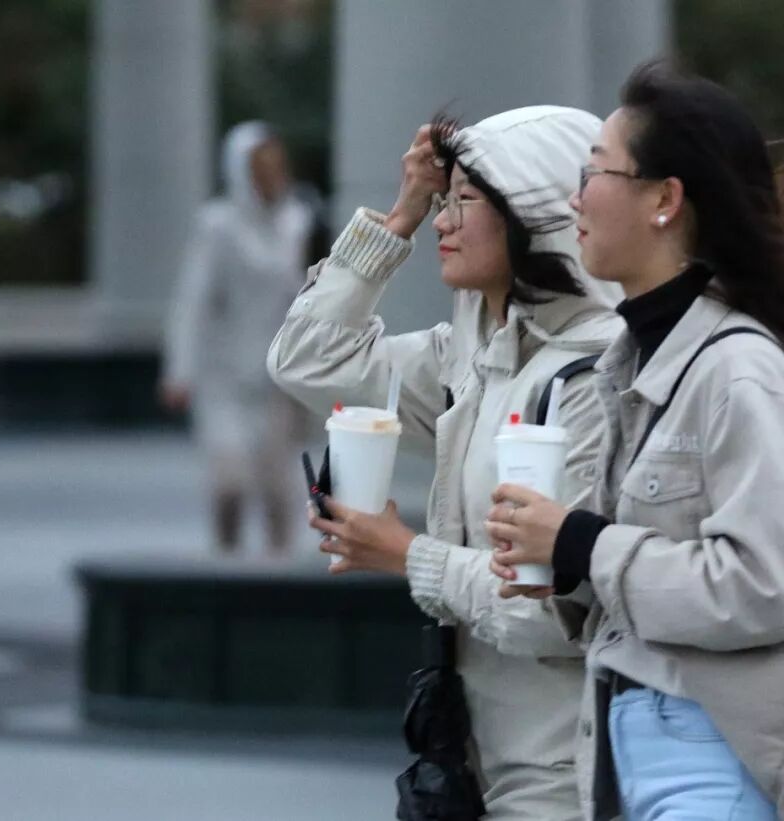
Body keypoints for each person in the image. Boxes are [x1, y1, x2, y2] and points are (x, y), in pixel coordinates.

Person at [486, 64, 784, 821]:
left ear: (665, 199)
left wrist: (581, 542)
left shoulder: (738, 370)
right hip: (639, 743)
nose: (576, 198)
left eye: (595, 173)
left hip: (722, 754)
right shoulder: (634, 362)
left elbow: (760, 588)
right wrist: (564, 566)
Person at [267, 106, 623, 819]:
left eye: (464, 200)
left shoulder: (594, 374)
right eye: (441, 199)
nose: (442, 221)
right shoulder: (474, 356)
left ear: (536, 213)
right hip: (470, 761)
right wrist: (398, 214)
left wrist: (408, 555)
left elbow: (555, 614)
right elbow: (306, 358)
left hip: (565, 772)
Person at [161, 122, 316, 554]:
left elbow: (307, 298)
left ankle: (280, 573)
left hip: (277, 374)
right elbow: (192, 302)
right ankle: (226, 562)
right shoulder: (217, 225)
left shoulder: (295, 222)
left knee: (278, 486)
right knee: (230, 482)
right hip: (224, 375)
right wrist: (180, 370)